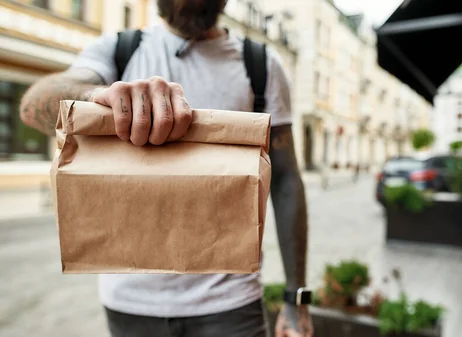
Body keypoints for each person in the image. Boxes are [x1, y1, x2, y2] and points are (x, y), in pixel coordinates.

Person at [19, 1, 312, 336]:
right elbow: (33, 106)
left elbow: (287, 181)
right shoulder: (118, 50)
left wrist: (296, 298)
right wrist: (96, 95)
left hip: (231, 304)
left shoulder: (261, 66)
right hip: (130, 304)